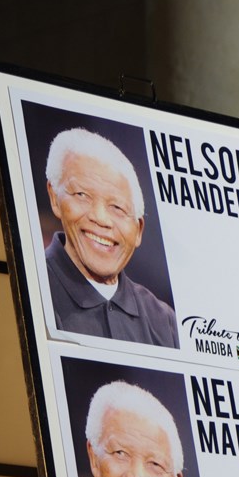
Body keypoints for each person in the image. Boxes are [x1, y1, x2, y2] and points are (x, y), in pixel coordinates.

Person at [44, 128, 179, 348]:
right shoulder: (31, 290)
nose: (100, 218)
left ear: (138, 230)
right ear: (54, 197)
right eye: (82, 195)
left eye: (117, 207)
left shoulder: (165, 322)